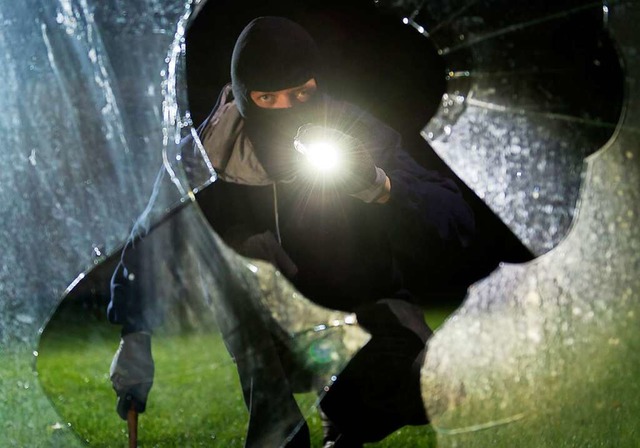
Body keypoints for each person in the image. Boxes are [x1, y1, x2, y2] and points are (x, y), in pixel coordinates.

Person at [108, 16, 474, 448]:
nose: (286, 108)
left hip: (361, 316)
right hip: (273, 333)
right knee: (237, 255)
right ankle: (279, 433)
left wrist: (381, 185)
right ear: (245, 97)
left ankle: (347, 419)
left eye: (301, 93)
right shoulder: (208, 156)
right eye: (268, 97)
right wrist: (134, 331)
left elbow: (454, 216)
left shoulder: (353, 130)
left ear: (316, 84)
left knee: (421, 393)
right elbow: (153, 234)